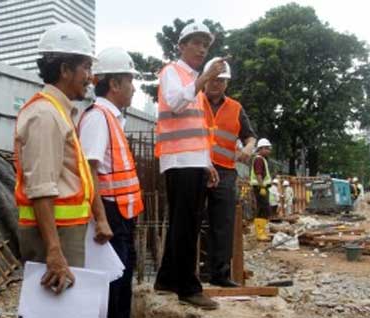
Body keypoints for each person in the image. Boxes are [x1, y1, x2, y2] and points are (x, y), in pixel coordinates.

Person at [14, 23, 112, 295]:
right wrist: (54, 251)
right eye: (85, 68)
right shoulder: (45, 115)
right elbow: (41, 187)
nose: (90, 78)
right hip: (55, 235)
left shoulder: (58, 111)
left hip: (63, 231)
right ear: (65, 69)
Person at [153, 22, 227, 310]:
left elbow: (197, 129)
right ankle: (188, 287)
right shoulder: (173, 72)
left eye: (204, 45)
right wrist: (204, 78)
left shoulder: (192, 79)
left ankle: (167, 279)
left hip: (192, 161)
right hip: (179, 161)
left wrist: (206, 162)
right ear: (181, 46)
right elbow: (174, 103)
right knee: (186, 224)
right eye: (195, 42)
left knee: (186, 223)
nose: (200, 49)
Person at [78, 47, 144, 318]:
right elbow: (88, 172)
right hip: (110, 214)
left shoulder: (113, 118)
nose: (134, 88)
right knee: (113, 286)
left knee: (122, 280)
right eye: (130, 81)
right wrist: (101, 220)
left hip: (121, 214)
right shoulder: (97, 118)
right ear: (114, 83)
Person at [200, 57, 256, 288]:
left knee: (223, 223)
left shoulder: (235, 108)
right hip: (197, 167)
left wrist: (250, 148)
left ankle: (220, 274)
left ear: (227, 83)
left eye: (221, 80)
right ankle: (194, 272)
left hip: (224, 171)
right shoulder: (193, 102)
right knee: (193, 221)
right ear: (205, 79)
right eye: (213, 79)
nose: (216, 83)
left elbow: (249, 136)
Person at [250, 138, 272, 241]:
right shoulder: (259, 159)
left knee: (263, 209)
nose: (269, 151)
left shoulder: (261, 159)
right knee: (262, 209)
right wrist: (262, 186)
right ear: (261, 148)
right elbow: (258, 174)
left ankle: (261, 231)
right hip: (260, 187)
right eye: (267, 148)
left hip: (260, 187)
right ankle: (260, 233)